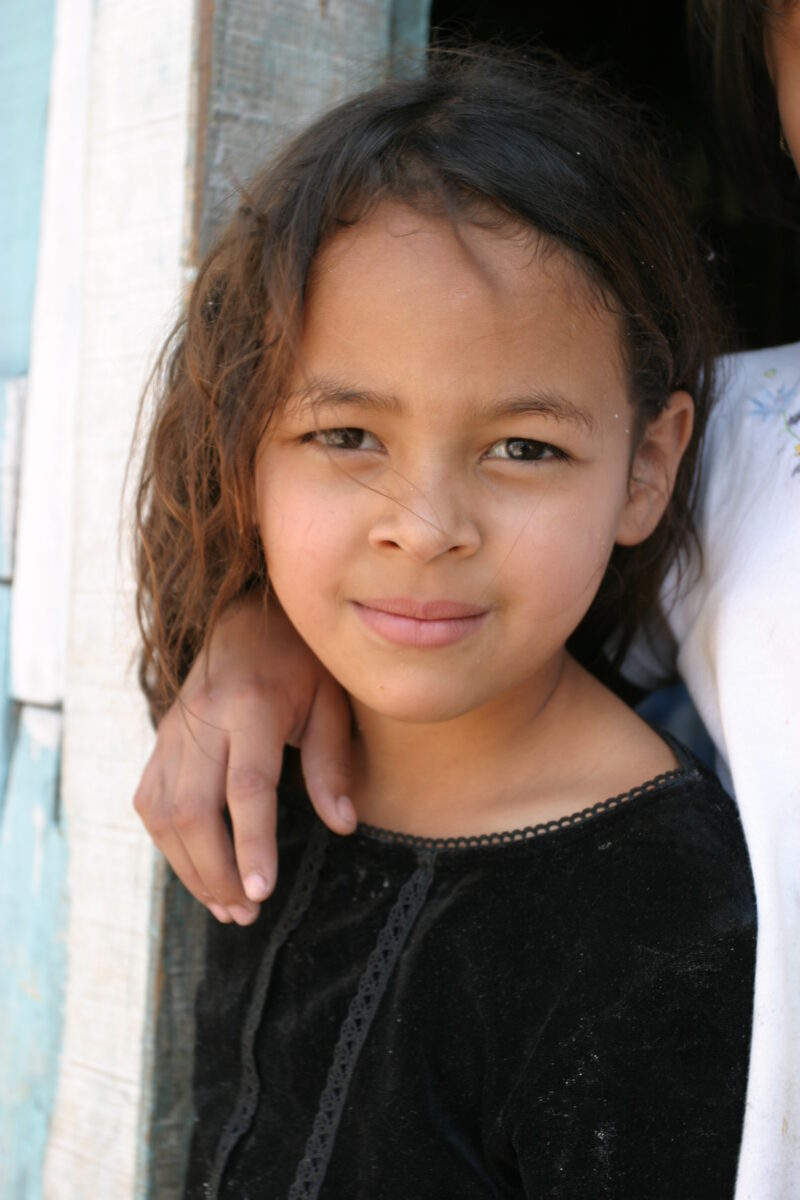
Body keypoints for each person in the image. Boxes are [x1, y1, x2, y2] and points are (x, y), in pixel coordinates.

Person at [133, 54, 756, 1196]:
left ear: (644, 466)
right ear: (243, 442)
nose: (424, 529)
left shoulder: (660, 920)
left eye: (523, 447)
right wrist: (240, 626)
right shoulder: (245, 768)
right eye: (347, 437)